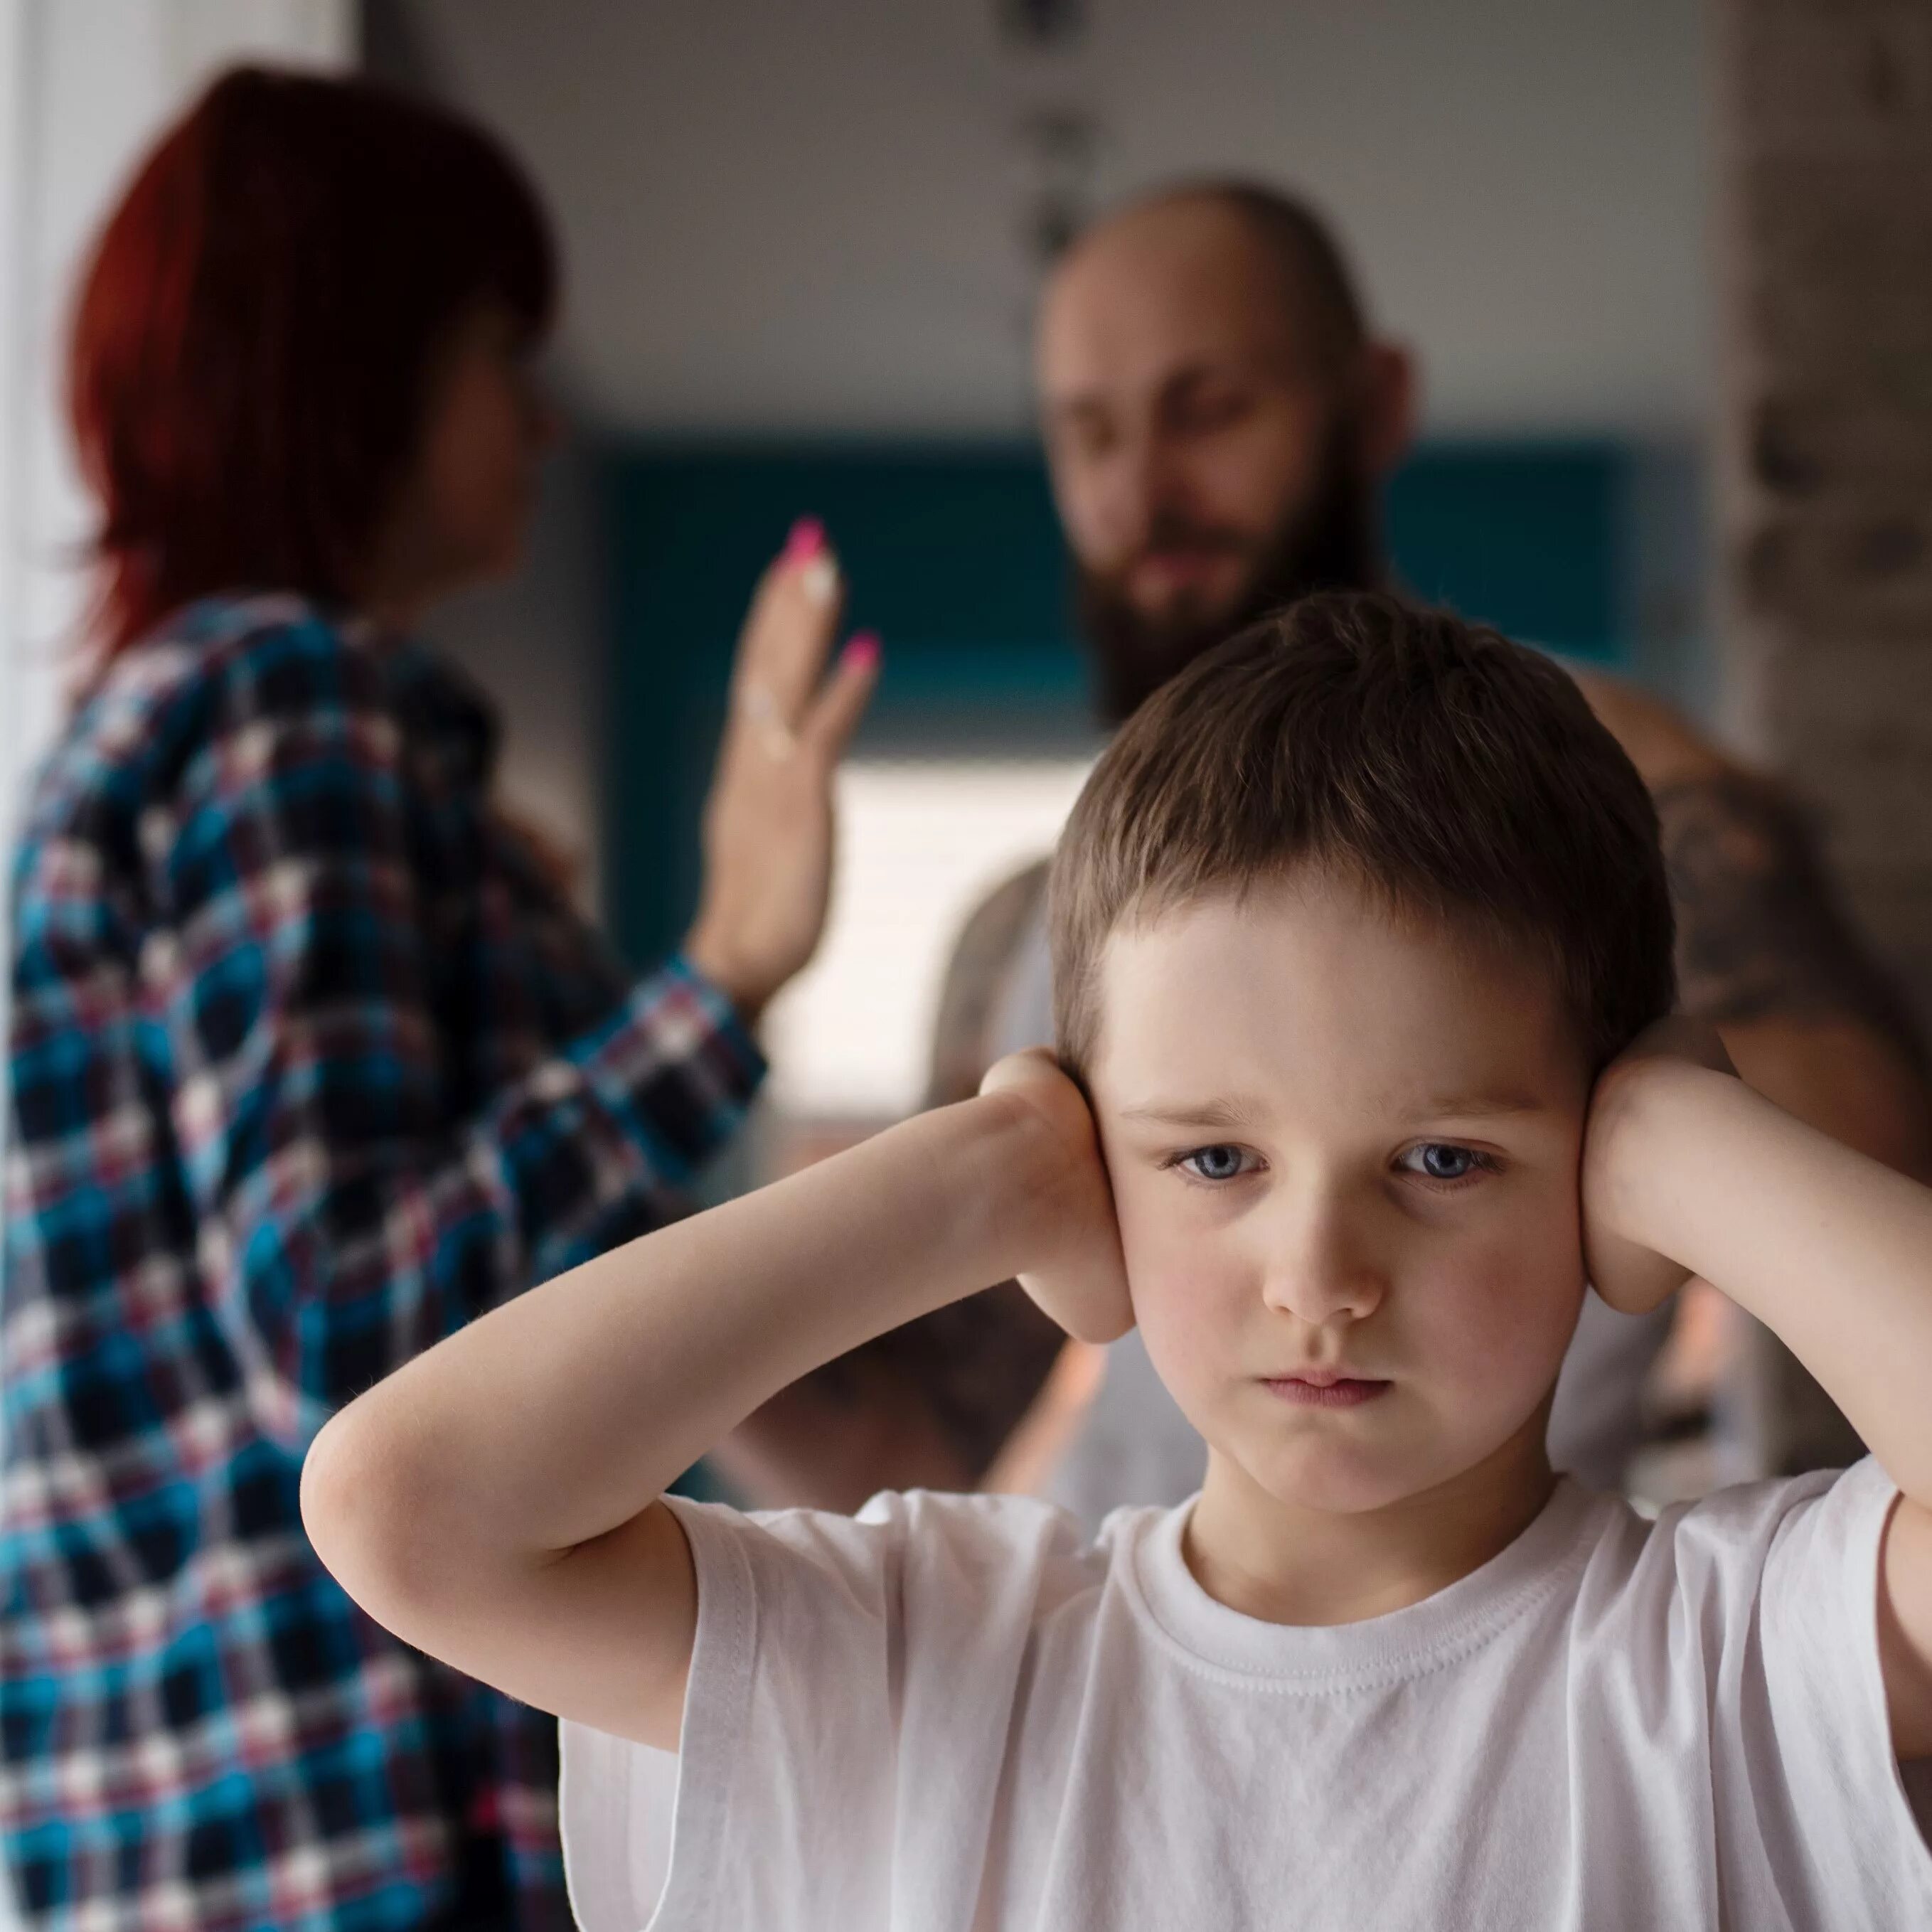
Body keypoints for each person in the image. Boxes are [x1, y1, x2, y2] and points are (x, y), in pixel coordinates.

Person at [304, 593, 1932, 1928]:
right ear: (1097, 1167)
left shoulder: (1729, 1658)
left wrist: (1677, 1144)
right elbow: (408, 1506)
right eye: (1213, 1158)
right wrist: (976, 1184)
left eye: (1444, 1158)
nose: (1320, 1273)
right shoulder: (941, 1658)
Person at [710, 178, 1932, 1519]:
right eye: (1088, 433)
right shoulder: (1028, 924)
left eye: (1210, 409)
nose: (1142, 494)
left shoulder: (1619, 805)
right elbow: (935, 1443)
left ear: (1376, 404)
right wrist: (712, 1002)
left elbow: (1858, 1201)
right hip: (1125, 1674)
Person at [0, 68, 873, 1932]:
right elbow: (343, 1314)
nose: (542, 415)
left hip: (194, 1829)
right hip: (361, 1824)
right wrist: (714, 976)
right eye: (497, 344)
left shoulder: (156, 729)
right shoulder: (284, 706)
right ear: (347, 359)